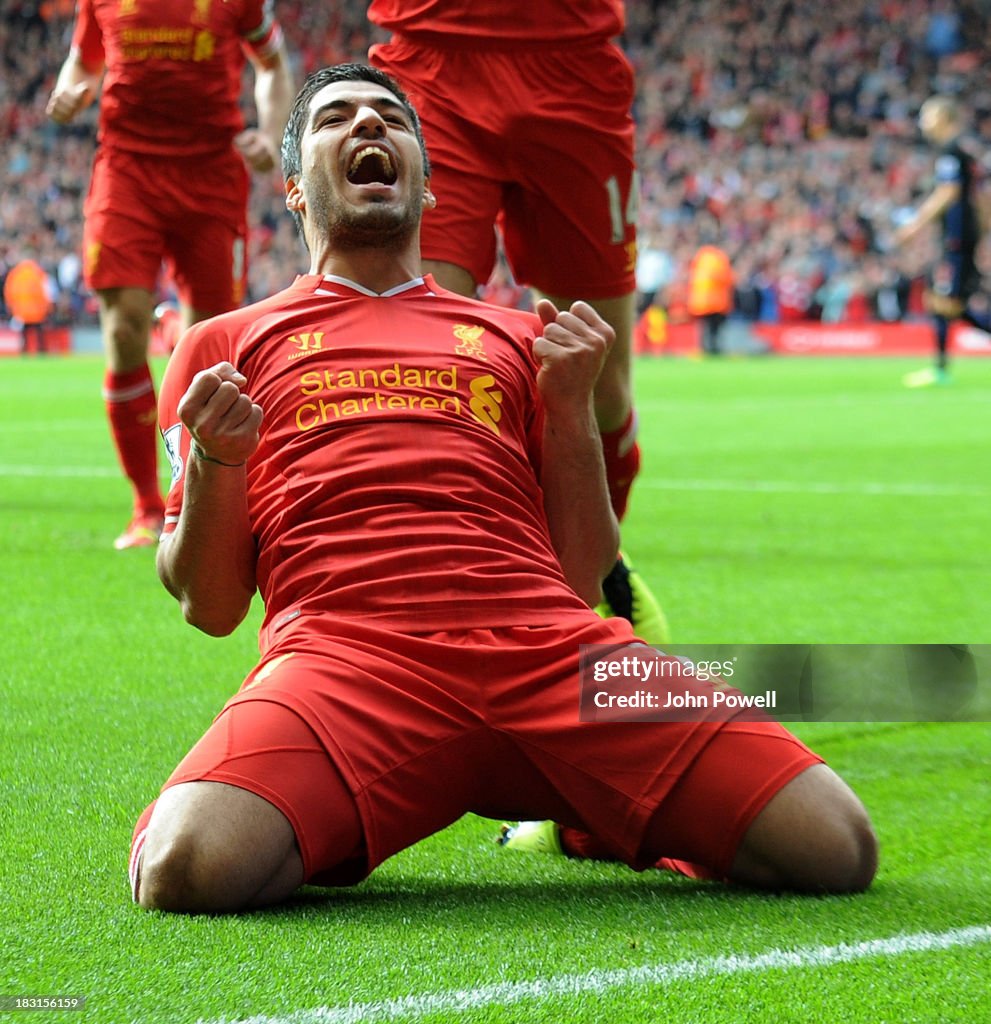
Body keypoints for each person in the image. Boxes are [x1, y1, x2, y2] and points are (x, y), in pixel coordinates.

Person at [127, 65, 877, 914]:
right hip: (348, 661)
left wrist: (569, 408)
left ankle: (580, 822)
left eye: (391, 120)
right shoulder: (224, 345)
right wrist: (223, 460)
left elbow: (583, 574)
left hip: (551, 653)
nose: (370, 126)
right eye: (337, 118)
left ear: (428, 189)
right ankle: (537, 804)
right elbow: (211, 603)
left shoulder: (523, 338)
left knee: (835, 847)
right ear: (296, 188)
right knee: (183, 870)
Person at [366, 1, 668, 642]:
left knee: (602, 382)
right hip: (433, 64)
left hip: (575, 68)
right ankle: (433, 606)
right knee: (419, 362)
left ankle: (592, 575)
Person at [46, 0, 293, 549]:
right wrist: (72, 90)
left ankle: (198, 500)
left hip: (211, 175)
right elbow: (83, 63)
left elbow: (272, 63)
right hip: (127, 169)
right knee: (123, 329)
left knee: (209, 348)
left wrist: (271, 131)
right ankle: (146, 506)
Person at [894, 95, 984, 388]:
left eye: (927, 115)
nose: (922, 122)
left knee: (946, 302)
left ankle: (941, 369)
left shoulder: (951, 151)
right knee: (942, 301)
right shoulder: (964, 150)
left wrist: (914, 225)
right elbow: (979, 197)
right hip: (960, 237)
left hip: (957, 239)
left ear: (944, 118)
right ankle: (940, 368)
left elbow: (948, 192)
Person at [687, 240, 735, 355]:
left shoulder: (699, 257)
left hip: (701, 301)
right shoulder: (720, 258)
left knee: (704, 327)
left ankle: (704, 348)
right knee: (715, 328)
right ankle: (714, 348)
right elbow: (728, 279)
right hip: (718, 301)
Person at [3, 250, 54, 354]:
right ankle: (41, 351)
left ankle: (24, 350)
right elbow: (47, 291)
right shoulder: (39, 272)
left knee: (24, 333)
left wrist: (12, 307)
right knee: (39, 333)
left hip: (21, 311)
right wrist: (48, 307)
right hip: (38, 311)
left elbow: (8, 292)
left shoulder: (15, 274)